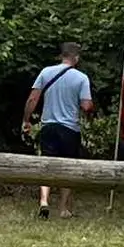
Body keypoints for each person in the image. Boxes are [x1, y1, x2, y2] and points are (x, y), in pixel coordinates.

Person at [22, 47, 94, 217]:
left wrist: (26, 120)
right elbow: (86, 105)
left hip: (48, 126)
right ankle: (63, 208)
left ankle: (44, 201)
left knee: (46, 165)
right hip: (70, 129)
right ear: (76, 58)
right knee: (68, 168)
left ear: (62, 56)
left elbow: (33, 99)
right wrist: (89, 110)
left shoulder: (46, 72)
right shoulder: (82, 78)